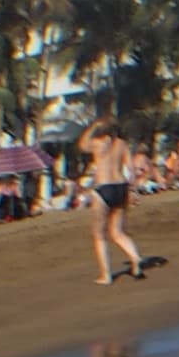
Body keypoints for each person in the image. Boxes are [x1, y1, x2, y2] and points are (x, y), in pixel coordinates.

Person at [78, 117, 145, 283]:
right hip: (120, 186)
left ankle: (106, 275)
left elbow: (82, 145)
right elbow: (130, 169)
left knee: (99, 235)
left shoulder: (97, 143)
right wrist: (133, 190)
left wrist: (92, 127)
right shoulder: (121, 144)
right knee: (117, 232)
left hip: (104, 187)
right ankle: (135, 257)